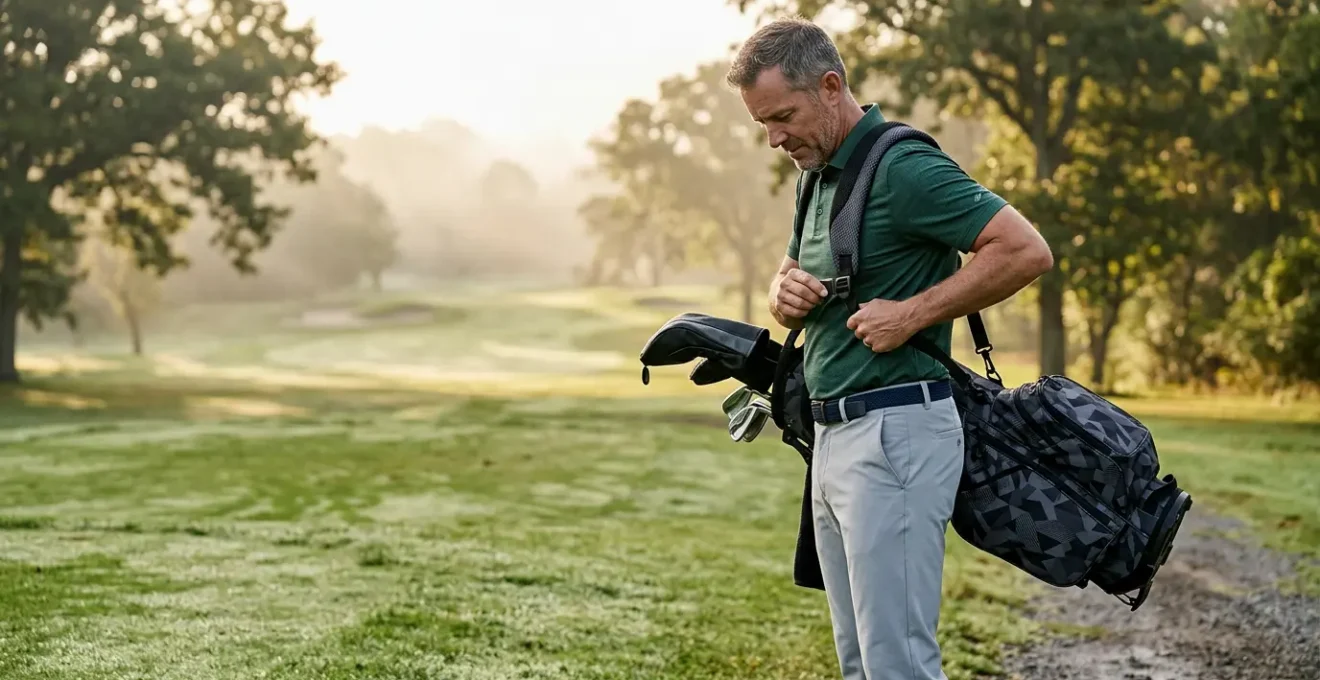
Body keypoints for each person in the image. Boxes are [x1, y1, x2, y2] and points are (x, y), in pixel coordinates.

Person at [725, 16, 1055, 680]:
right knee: (861, 661)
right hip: (833, 438)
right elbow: (790, 272)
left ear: (829, 86)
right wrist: (778, 292)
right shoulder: (814, 175)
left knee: (897, 662)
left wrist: (913, 314)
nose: (773, 138)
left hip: (897, 434)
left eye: (782, 116)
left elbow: (1025, 250)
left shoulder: (904, 167)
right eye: (763, 123)